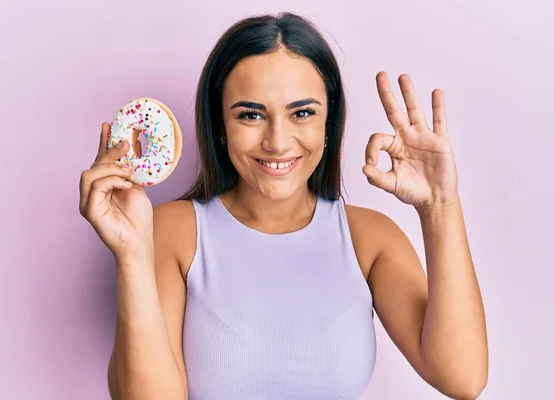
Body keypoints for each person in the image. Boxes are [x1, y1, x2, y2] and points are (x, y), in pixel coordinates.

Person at [79, 12, 488, 400]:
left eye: (303, 113)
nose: (277, 141)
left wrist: (440, 207)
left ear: (329, 123)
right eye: (251, 115)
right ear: (221, 127)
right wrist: (131, 254)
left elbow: (462, 378)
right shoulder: (171, 232)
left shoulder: (371, 238)